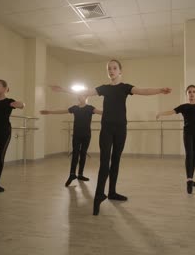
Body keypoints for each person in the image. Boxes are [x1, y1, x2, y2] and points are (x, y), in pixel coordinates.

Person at [50, 59, 172, 215]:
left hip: (121, 129)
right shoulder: (104, 88)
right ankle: (99, 195)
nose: (111, 70)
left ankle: (112, 192)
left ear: (120, 71)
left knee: (116, 161)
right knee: (104, 162)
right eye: (109, 69)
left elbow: (143, 91)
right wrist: (63, 90)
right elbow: (84, 92)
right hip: (106, 129)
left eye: (114, 68)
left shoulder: (125, 88)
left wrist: (160, 90)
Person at [40, 95, 102, 186]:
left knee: (83, 153)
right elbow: (62, 111)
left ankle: (80, 174)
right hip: (77, 134)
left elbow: (101, 112)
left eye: (83, 96)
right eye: (79, 97)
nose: (81, 98)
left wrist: (112, 110)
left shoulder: (90, 108)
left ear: (85, 98)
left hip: (87, 135)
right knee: (75, 154)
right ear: (78, 98)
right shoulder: (75, 108)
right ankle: (72, 174)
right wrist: (49, 112)